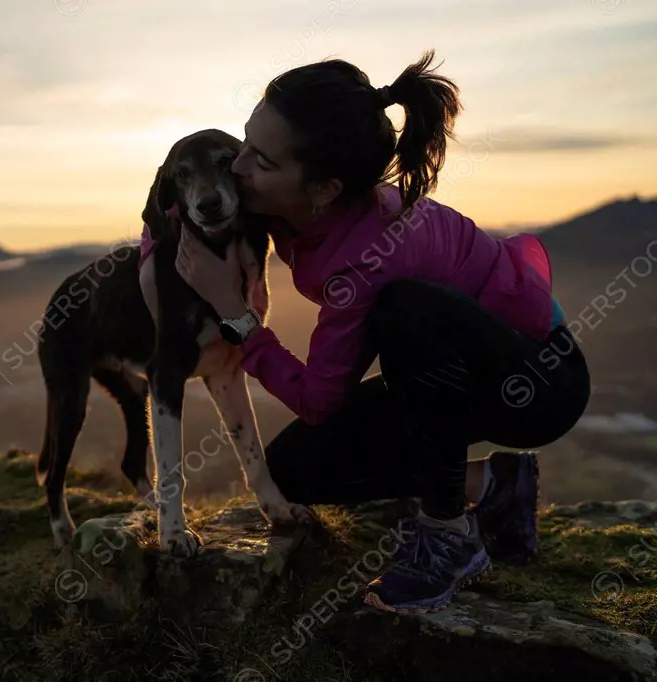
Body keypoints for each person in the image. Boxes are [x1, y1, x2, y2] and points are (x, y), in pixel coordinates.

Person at [138, 50, 591, 614]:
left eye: (259, 159)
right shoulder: (291, 201)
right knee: (294, 471)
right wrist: (151, 262)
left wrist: (237, 315)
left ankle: (447, 532)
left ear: (324, 187)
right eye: (245, 145)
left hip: (536, 381)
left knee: (406, 309)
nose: (238, 168)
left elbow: (318, 400)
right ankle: (494, 486)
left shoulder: (370, 256)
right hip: (447, 374)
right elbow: (172, 213)